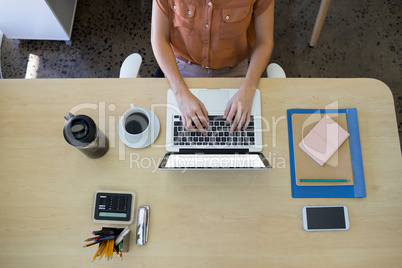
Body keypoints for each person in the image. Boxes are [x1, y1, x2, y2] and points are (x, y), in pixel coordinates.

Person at [151, 0, 274, 135]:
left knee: (243, 138)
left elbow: (264, 41)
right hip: (182, 70)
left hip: (234, 71)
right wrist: (179, 92)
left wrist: (249, 88)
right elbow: (159, 38)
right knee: (171, 138)